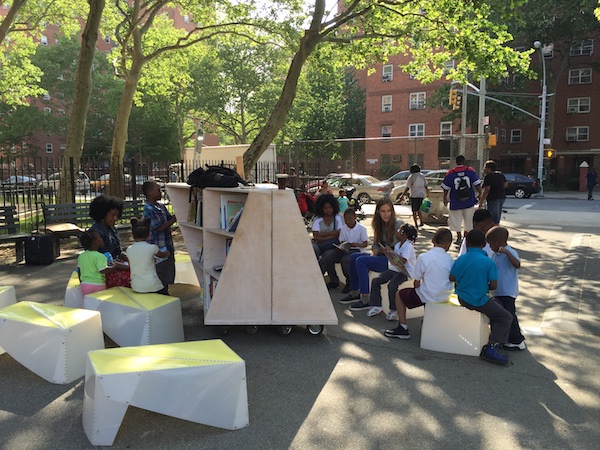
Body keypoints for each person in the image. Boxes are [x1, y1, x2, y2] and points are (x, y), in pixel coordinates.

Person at [450, 229, 513, 365]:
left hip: (462, 297)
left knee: (498, 305)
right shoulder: (488, 262)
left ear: (467, 244)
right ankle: (491, 347)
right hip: (478, 300)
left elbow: (452, 277)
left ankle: (496, 342)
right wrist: (482, 285)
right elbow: (494, 286)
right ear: (484, 244)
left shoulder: (461, 259)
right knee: (506, 317)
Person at [385, 228, 454, 339]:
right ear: (449, 244)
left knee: (400, 294)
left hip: (429, 295)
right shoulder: (450, 259)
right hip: (445, 295)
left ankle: (402, 328)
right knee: (428, 291)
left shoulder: (424, 257)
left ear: (432, 240)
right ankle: (428, 320)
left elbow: (416, 280)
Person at [339, 198, 405, 314]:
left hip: (393, 261)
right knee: (355, 257)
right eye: (383, 211)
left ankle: (365, 298)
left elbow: (404, 248)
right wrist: (374, 254)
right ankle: (355, 292)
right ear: (378, 212)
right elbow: (375, 244)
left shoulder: (398, 225)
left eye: (389, 211)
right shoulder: (378, 224)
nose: (386, 214)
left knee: (361, 261)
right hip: (381, 256)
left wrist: (385, 251)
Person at [352, 223, 417, 319]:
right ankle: (376, 305)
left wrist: (391, 252)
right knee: (376, 281)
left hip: (404, 272)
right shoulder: (398, 244)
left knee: (392, 285)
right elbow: (393, 259)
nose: (397, 232)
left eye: (399, 230)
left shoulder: (408, 246)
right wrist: (386, 252)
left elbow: (403, 260)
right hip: (394, 269)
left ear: (404, 234)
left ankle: (394, 310)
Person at [486, 226, 526, 350]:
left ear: (498, 241)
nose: (490, 247)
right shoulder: (495, 254)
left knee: (510, 315)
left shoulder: (510, 252)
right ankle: (506, 337)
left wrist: (507, 253)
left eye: (490, 244)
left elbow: (517, 264)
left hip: (508, 291)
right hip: (498, 291)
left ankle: (517, 340)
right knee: (503, 316)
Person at [318, 208, 368, 293]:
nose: (348, 221)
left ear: (355, 217)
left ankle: (350, 282)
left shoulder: (361, 228)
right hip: (345, 250)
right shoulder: (344, 228)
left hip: (356, 250)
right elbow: (342, 241)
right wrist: (342, 246)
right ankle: (332, 280)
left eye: (350, 219)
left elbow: (365, 244)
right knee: (328, 255)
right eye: (346, 219)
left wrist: (356, 244)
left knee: (345, 260)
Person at [142, 180, 177, 295]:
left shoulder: (161, 207)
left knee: (167, 275)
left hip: (166, 246)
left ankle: (165, 294)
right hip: (157, 249)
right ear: (150, 192)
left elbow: (168, 219)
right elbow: (158, 228)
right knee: (159, 276)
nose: (161, 192)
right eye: (158, 190)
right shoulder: (149, 209)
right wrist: (173, 219)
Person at [89, 194, 131, 288]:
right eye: (112, 215)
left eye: (117, 215)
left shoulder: (112, 229)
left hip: (117, 265)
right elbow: (104, 262)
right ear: (103, 214)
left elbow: (119, 251)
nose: (115, 218)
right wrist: (129, 267)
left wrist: (132, 260)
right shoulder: (95, 233)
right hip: (105, 271)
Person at [441, 155, 482, 245]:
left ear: (456, 162)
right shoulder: (470, 171)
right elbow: (477, 184)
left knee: (456, 219)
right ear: (464, 161)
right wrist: (480, 194)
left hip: (455, 201)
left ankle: (459, 237)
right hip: (469, 200)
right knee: (468, 219)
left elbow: (445, 188)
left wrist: (445, 198)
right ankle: (466, 236)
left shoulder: (450, 173)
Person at [126, 218, 170, 295]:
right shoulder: (153, 248)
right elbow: (162, 255)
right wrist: (167, 252)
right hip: (153, 285)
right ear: (149, 234)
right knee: (167, 298)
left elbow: (131, 264)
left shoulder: (129, 249)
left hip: (137, 286)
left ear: (132, 235)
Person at [311, 194, 343, 288]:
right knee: (311, 249)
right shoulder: (317, 219)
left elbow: (339, 233)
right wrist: (332, 235)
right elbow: (315, 235)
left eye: (330, 207)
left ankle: (317, 279)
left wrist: (323, 238)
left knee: (327, 256)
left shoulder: (338, 218)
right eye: (325, 208)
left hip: (334, 246)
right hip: (320, 245)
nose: (328, 210)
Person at [77, 230, 118, 296]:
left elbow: (79, 271)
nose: (102, 240)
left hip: (84, 285)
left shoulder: (81, 256)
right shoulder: (100, 256)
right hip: (98, 284)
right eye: (100, 238)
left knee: (88, 303)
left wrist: (82, 282)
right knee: (99, 304)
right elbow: (103, 270)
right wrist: (115, 266)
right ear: (94, 242)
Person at [478, 160, 507, 224]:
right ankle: (496, 227)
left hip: (493, 197)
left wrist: (481, 202)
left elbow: (487, 189)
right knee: (498, 214)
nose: (484, 169)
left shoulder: (488, 176)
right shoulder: (500, 175)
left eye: (485, 167)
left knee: (492, 216)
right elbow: (505, 184)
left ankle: (494, 229)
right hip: (502, 196)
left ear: (489, 168)